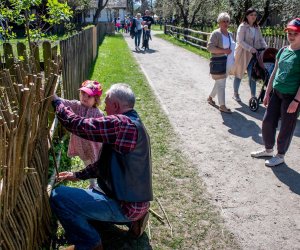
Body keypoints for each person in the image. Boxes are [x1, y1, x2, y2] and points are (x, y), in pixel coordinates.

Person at [50, 83, 153, 250]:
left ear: (116, 105)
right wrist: (77, 175)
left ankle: (89, 243)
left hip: (125, 205)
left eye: (106, 102)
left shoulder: (121, 124)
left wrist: (56, 102)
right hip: (135, 201)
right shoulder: (135, 123)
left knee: (59, 196)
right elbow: (104, 164)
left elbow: (78, 126)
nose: (104, 106)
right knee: (89, 197)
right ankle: (134, 220)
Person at [251, 18, 300, 167]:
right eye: (289, 33)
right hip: (276, 93)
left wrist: (296, 101)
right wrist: (267, 92)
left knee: (286, 127)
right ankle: (268, 149)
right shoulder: (284, 50)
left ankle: (280, 155)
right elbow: (275, 73)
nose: (291, 36)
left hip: (291, 97)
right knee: (267, 121)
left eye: (295, 33)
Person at [60, 80, 104, 189]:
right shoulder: (77, 105)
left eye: (89, 96)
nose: (84, 97)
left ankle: (95, 184)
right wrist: (55, 99)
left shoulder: (98, 114)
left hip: (93, 146)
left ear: (96, 99)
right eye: (83, 94)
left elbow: (102, 130)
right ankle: (93, 183)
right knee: (86, 162)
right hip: (81, 145)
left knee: (93, 163)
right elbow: (65, 102)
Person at [231, 8, 267, 102]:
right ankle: (235, 94)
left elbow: (261, 39)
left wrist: (266, 47)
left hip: (254, 55)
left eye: (255, 15)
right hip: (243, 53)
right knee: (239, 73)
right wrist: (250, 48)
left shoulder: (256, 27)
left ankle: (253, 96)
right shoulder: (242, 26)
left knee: (253, 75)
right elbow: (240, 41)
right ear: (247, 16)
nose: (253, 17)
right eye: (251, 15)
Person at [207, 12, 236, 113]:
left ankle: (210, 97)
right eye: (224, 21)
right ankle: (222, 105)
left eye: (227, 21)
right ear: (219, 22)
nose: (226, 23)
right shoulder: (216, 33)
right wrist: (224, 51)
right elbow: (210, 48)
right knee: (221, 83)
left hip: (229, 63)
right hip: (219, 63)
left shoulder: (230, 34)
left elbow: (233, 48)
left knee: (219, 82)